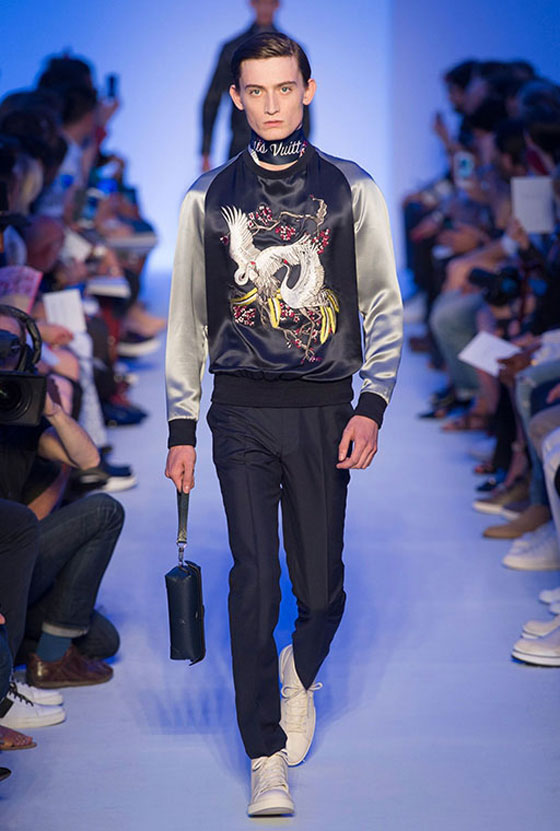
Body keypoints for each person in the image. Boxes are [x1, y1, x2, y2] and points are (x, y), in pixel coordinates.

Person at [165, 33, 403, 817]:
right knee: (254, 581)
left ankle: (298, 670)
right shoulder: (205, 197)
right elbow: (187, 319)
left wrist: (372, 404)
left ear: (308, 89)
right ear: (237, 97)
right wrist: (180, 425)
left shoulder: (351, 187)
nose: (271, 104)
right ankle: (264, 752)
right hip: (239, 409)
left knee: (322, 591)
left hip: (325, 408)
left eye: (284, 88)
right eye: (256, 90)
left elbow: (382, 303)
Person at [200, 0, 310, 171]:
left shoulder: (294, 52)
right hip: (242, 143)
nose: (264, 7)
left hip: (285, 147)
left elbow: (303, 105)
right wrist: (206, 152)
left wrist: (304, 151)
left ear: (277, 4)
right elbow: (212, 100)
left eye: (269, 2)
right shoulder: (231, 50)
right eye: (260, 2)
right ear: (252, 4)